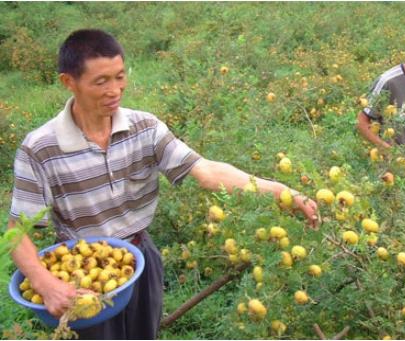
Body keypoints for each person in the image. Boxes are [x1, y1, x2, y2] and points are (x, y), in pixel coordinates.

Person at [7, 29, 319, 339]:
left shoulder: (145, 128)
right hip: (82, 275)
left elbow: (207, 172)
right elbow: (16, 231)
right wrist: (46, 284)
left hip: (141, 258)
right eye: (101, 82)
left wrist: (281, 191)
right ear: (69, 82)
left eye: (119, 77)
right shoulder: (40, 148)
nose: (114, 90)